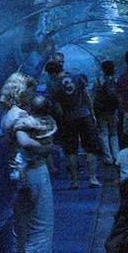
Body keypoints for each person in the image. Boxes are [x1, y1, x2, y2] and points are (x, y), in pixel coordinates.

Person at [0, 72, 55, 253]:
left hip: (16, 173)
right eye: (31, 91)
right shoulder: (21, 115)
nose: (33, 95)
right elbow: (24, 141)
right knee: (40, 227)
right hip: (33, 171)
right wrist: (45, 149)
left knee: (20, 227)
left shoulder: (7, 115)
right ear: (21, 92)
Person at [45, 59, 102, 188]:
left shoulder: (55, 86)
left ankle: (75, 181)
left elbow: (58, 108)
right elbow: (86, 97)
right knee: (90, 148)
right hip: (85, 116)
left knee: (71, 150)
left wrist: (60, 121)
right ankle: (93, 178)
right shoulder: (77, 78)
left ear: (52, 73)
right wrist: (92, 114)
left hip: (68, 119)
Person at [93, 60, 120, 165]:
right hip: (113, 110)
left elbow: (93, 96)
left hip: (101, 111)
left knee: (103, 133)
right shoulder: (116, 80)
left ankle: (108, 158)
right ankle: (117, 156)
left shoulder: (98, 81)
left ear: (103, 70)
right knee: (114, 133)